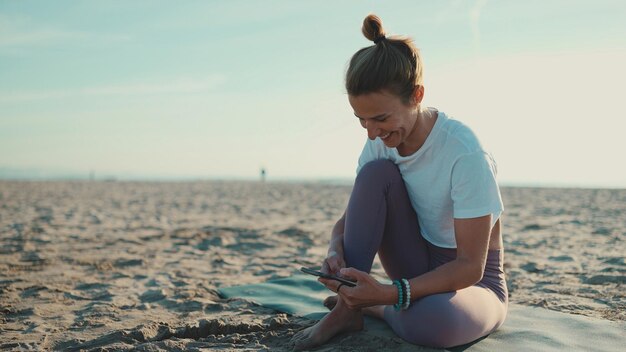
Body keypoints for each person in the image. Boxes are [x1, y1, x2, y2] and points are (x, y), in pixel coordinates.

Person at [290, 14, 507, 350]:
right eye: (361, 119)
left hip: (473, 284)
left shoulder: (464, 152)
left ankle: (371, 305)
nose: (372, 132)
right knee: (375, 175)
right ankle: (350, 307)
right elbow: (345, 225)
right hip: (415, 261)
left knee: (437, 324)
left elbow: (470, 267)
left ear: (417, 95)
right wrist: (335, 252)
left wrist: (390, 293)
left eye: (380, 118)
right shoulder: (379, 143)